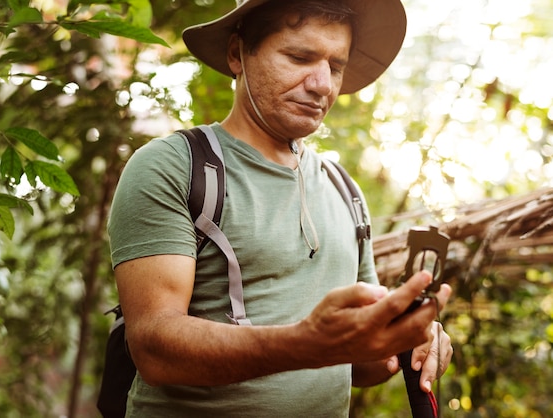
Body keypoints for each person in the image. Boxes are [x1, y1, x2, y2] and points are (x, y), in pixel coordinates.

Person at [107, 0, 453, 416]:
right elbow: (154, 349)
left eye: (336, 65)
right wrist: (306, 343)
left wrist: (404, 339)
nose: (323, 84)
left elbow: (358, 362)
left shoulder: (344, 190)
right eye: (300, 57)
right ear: (238, 54)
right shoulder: (175, 166)